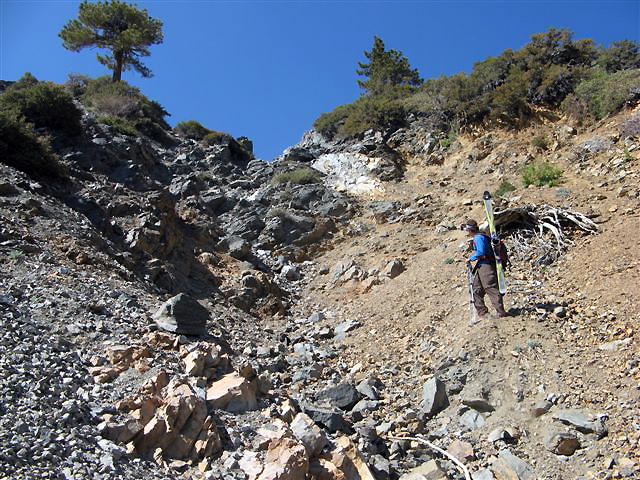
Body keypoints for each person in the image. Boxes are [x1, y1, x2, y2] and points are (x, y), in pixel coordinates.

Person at [462, 219, 509, 320]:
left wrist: (470, 258)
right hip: (482, 266)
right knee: (476, 289)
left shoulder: (478, 238)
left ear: (470, 230)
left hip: (486, 266)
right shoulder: (480, 237)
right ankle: (483, 313)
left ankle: (501, 312)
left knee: (490, 287)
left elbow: (481, 252)